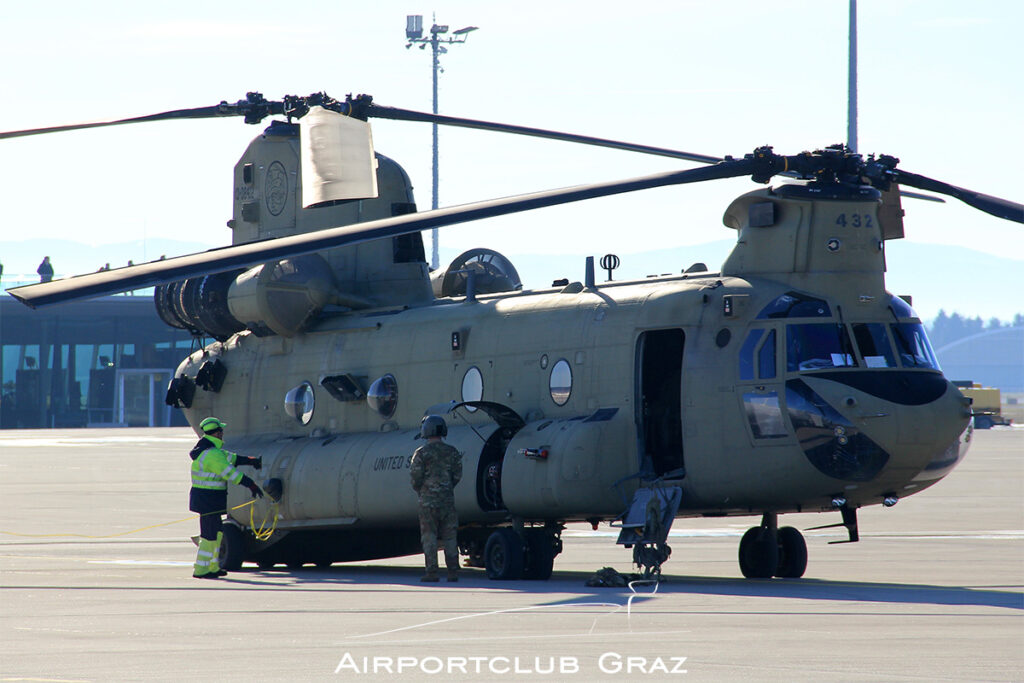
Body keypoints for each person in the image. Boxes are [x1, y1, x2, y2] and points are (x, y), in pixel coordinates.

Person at [188, 416, 263, 579]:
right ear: (216, 433)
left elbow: (233, 459)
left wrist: (252, 461)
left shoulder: (214, 451)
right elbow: (230, 473)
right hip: (207, 500)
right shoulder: (212, 455)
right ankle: (201, 569)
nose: (223, 432)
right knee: (208, 535)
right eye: (221, 430)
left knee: (217, 533)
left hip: (212, 500)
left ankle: (213, 567)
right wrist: (251, 484)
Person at [410, 415, 462, 582]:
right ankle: (453, 571)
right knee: (450, 535)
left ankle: (432, 572)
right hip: (447, 501)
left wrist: (423, 490)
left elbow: (415, 478)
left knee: (429, 536)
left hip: (427, 502)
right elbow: (457, 475)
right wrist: (446, 488)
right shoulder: (452, 452)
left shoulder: (421, 453)